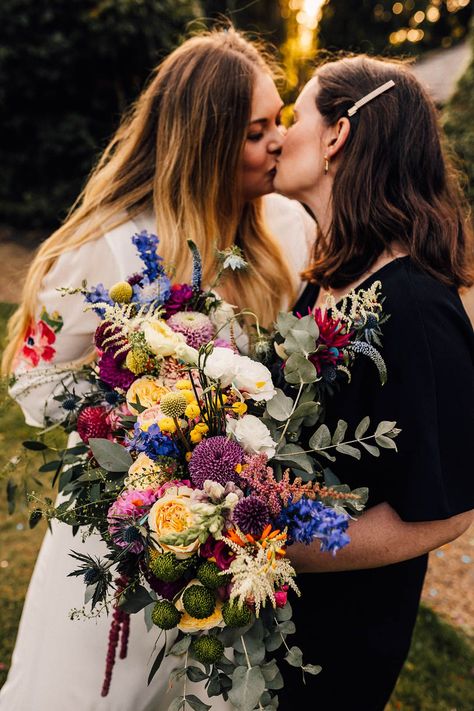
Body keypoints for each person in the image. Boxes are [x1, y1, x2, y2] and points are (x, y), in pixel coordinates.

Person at [0, 27, 315, 711]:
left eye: (281, 121)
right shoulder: (110, 245)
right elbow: (31, 385)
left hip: (230, 553)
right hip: (118, 540)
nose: (279, 142)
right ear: (206, 144)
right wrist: (133, 404)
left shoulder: (287, 229)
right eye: (258, 130)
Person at [273, 55, 474, 710]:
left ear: (337, 135)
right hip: (265, 618)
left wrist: (272, 543)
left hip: (337, 639)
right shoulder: (323, 278)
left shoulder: (415, 305)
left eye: (292, 116)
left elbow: (449, 509)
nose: (278, 135)